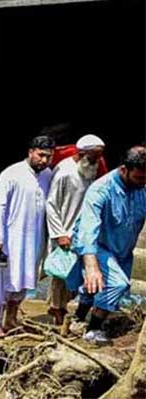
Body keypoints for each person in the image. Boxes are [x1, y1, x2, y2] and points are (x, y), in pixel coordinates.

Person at [66, 146, 146, 345]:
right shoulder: (101, 189)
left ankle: (78, 316)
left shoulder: (141, 187)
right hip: (97, 245)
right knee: (117, 283)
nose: (142, 183)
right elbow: (87, 228)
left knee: (98, 286)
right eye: (138, 178)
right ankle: (93, 328)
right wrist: (91, 264)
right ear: (123, 170)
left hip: (122, 248)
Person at [0, 136, 55, 337]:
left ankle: (11, 318)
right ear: (31, 152)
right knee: (3, 282)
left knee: (25, 280)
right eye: (41, 155)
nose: (44, 160)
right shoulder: (12, 173)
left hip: (34, 239)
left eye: (48, 157)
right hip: (10, 239)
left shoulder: (48, 175)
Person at [45, 134, 105, 324]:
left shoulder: (90, 170)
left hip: (83, 234)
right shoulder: (65, 172)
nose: (98, 161)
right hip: (64, 232)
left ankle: (60, 308)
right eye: (95, 156)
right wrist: (60, 233)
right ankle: (57, 312)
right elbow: (51, 204)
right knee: (61, 275)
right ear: (83, 154)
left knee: (74, 276)